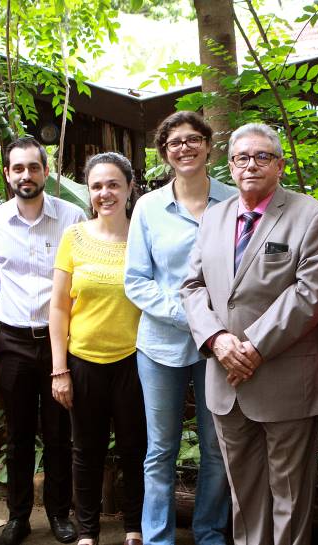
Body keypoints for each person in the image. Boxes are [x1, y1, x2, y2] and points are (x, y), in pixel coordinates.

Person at [181, 123, 318, 545]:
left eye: (262, 156)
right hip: (225, 379)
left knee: (290, 496)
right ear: (231, 166)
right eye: (242, 158)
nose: (251, 165)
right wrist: (217, 339)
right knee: (244, 496)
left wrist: (252, 346)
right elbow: (193, 286)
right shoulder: (214, 217)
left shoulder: (312, 216)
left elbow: (310, 293)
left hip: (285, 380)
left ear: (280, 165)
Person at [124, 111, 233, 545]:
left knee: (217, 447)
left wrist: (214, 328)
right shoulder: (148, 207)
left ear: (208, 145)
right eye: (174, 142)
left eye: (192, 139)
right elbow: (136, 280)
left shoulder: (233, 202)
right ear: (164, 152)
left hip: (219, 348)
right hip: (161, 344)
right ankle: (158, 538)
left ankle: (210, 533)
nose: (184, 148)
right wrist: (193, 318)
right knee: (160, 449)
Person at [0, 137, 85, 545]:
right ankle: (18, 516)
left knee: (59, 434)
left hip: (61, 343)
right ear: (8, 174)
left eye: (34, 167)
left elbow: (81, 276)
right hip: (14, 341)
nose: (27, 175)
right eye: (18, 168)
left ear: (46, 171)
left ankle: (59, 514)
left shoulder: (72, 217)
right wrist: (15, 311)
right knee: (18, 434)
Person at [49, 152, 146, 545]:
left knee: (135, 449)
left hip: (135, 360)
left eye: (113, 184)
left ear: (129, 188)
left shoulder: (143, 237)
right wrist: (59, 369)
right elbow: (59, 306)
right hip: (84, 360)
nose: (105, 193)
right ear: (89, 192)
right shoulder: (73, 237)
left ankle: (134, 527)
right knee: (86, 451)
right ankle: (88, 531)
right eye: (97, 186)